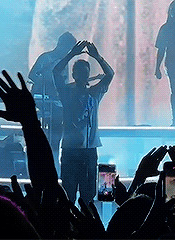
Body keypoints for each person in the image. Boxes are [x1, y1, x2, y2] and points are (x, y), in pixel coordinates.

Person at [53, 41, 114, 203]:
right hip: (71, 150)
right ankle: (69, 225)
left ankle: (86, 223)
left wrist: (98, 57)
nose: (82, 76)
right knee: (69, 194)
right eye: (79, 73)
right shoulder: (66, 93)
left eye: (85, 73)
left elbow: (110, 75)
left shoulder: (94, 93)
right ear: (74, 75)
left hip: (88, 150)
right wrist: (71, 54)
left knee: (88, 194)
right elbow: (56, 71)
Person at [28, 32, 77, 175]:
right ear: (61, 45)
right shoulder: (46, 58)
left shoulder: (65, 62)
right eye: (68, 48)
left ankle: (56, 164)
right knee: (48, 133)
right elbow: (32, 75)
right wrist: (45, 84)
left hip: (57, 102)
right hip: (44, 100)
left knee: (57, 134)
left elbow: (64, 82)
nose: (68, 52)